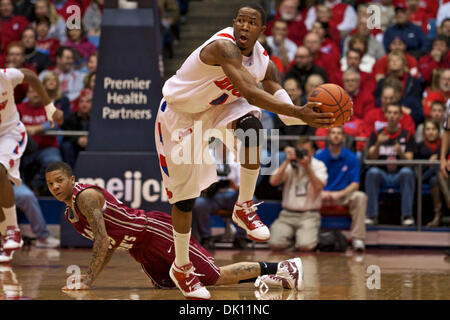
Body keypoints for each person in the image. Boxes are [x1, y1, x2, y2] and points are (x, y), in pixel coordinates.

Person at [155, 3, 336, 300]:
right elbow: (252, 93)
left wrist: (313, 114)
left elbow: (281, 104)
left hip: (220, 108)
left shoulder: (264, 60)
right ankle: (182, 266)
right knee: (185, 199)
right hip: (180, 115)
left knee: (253, 129)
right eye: (240, 21)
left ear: (262, 30)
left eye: (252, 23)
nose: (244, 26)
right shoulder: (223, 48)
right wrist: (298, 112)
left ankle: (244, 206)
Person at [44, 161, 305, 293]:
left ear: (72, 179)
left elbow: (101, 240)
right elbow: (109, 243)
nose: (55, 187)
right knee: (168, 289)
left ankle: (282, 268)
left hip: (155, 232)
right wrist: (90, 279)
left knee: (212, 277)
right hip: (140, 249)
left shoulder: (85, 197)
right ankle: (270, 276)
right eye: (50, 184)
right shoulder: (70, 213)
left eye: (59, 181)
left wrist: (88, 278)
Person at [0, 67, 63, 262]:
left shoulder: (6, 76)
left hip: (10, 133)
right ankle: (5, 237)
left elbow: (31, 76)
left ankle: (12, 230)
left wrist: (49, 107)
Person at [268, 136, 327, 252]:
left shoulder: (319, 165)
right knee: (275, 244)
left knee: (305, 246)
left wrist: (307, 167)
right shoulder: (290, 164)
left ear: (313, 152)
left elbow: (319, 186)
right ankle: (295, 241)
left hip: (309, 215)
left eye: (305, 151)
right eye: (300, 151)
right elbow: (273, 182)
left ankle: (300, 240)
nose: (302, 154)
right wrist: (287, 161)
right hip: (287, 215)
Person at [315, 126, 367, 251]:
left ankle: (357, 238)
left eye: (339, 133)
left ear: (343, 137)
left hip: (343, 196)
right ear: (328, 137)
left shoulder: (351, 158)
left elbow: (355, 184)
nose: (336, 135)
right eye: (333, 133)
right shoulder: (319, 156)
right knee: (307, 196)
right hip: (321, 196)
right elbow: (311, 181)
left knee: (360, 197)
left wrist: (340, 194)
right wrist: (321, 192)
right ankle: (310, 236)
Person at [365, 104, 416, 226]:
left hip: (399, 175)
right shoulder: (377, 134)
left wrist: (400, 152)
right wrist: (378, 144)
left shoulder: (407, 135)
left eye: (395, 113)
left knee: (407, 172)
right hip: (382, 175)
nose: (392, 116)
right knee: (372, 172)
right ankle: (371, 215)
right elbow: (371, 158)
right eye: (390, 113)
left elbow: (409, 162)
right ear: (386, 115)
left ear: (400, 116)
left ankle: (407, 216)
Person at [415, 119, 449, 227]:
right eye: (428, 129)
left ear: (438, 131)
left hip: (440, 178)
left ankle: (437, 216)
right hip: (424, 175)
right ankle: (449, 200)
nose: (431, 132)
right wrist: (430, 163)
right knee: (437, 166)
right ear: (424, 131)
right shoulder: (419, 146)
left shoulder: (444, 145)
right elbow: (415, 166)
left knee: (435, 180)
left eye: (433, 129)